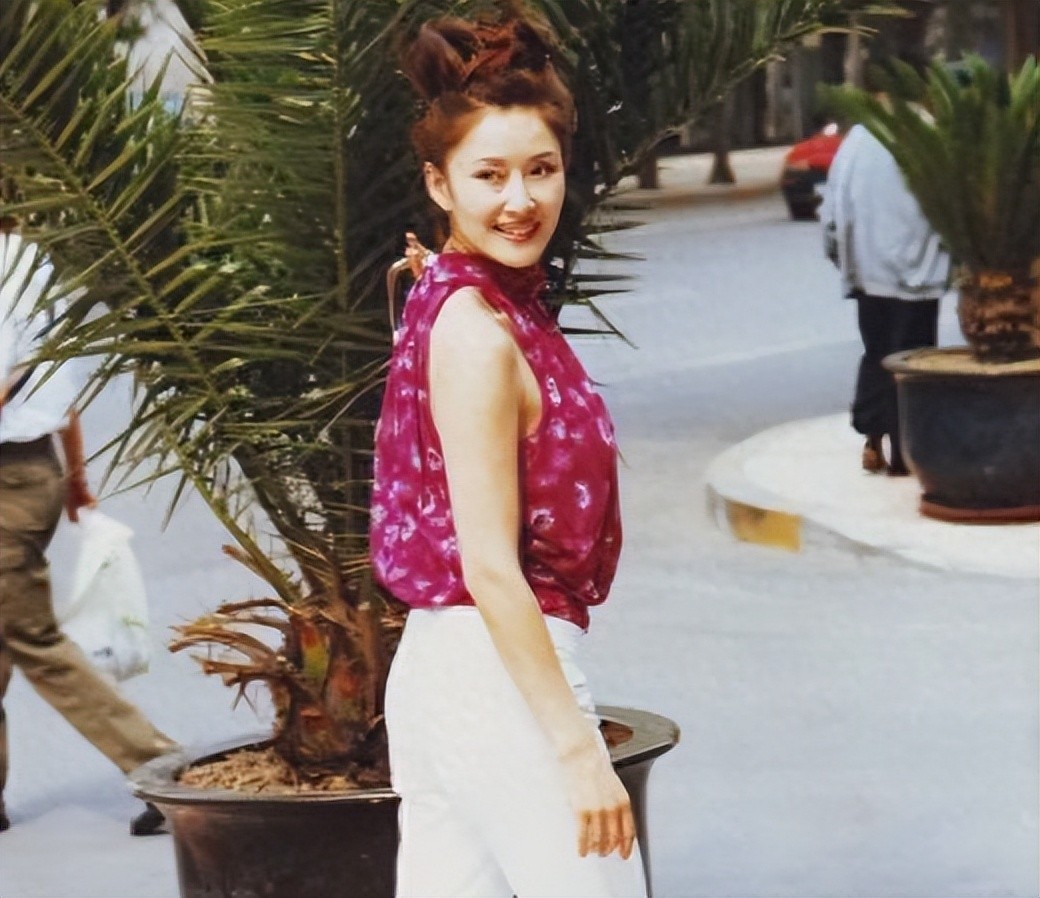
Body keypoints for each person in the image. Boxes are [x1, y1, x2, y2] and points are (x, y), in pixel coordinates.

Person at [370, 12, 647, 898]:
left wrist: (443, 272)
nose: (520, 199)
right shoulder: (478, 333)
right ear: (439, 182)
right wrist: (577, 748)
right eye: (488, 175)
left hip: (446, 674)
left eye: (541, 169)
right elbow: (490, 566)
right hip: (500, 678)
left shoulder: (466, 300)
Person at [0, 225, 178, 836]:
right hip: (31, 469)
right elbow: (56, 382)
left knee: (34, 640)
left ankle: (162, 769)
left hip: (8, 479)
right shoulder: (28, 259)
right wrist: (74, 476)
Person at [819, 111, 951, 475]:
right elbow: (947, 205)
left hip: (868, 274)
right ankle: (905, 455)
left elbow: (832, 210)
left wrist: (844, 259)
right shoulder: (924, 135)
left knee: (877, 352)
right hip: (920, 277)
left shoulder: (856, 142)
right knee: (913, 363)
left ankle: (873, 439)